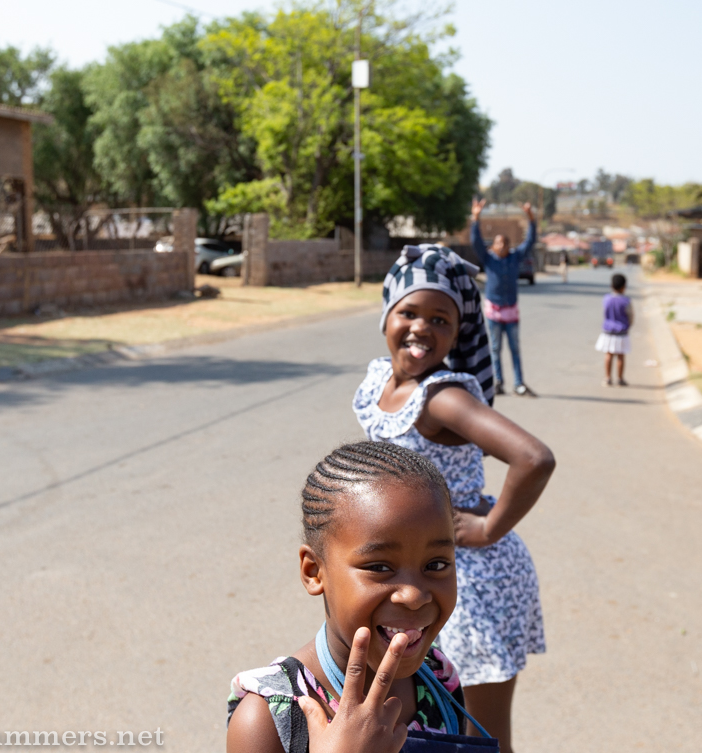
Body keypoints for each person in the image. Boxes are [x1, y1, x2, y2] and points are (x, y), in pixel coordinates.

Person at [353, 244, 555, 753]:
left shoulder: (442, 396)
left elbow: (534, 457)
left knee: (478, 735)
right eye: (410, 312)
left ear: (458, 333)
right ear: (386, 316)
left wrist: (487, 529)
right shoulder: (383, 379)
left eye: (441, 319)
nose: (422, 328)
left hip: (473, 584)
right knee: (431, 720)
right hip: (421, 573)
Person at [226, 442, 477, 753]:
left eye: (436, 565)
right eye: (379, 567)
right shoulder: (266, 721)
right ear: (314, 571)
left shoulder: (437, 678)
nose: (413, 596)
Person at [470, 198, 538, 397]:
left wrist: (530, 218)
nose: (501, 245)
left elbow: (530, 241)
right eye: (498, 242)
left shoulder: (515, 258)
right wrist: (476, 217)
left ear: (509, 246)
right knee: (495, 349)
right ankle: (498, 382)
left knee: (515, 349)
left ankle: (519, 383)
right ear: (494, 246)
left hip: (511, 311)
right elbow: (476, 242)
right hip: (494, 311)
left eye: (504, 243)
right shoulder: (489, 259)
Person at [596, 273, 633, 387]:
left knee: (608, 355)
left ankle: (607, 378)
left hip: (608, 331)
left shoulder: (606, 299)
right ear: (624, 287)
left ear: (611, 286)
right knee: (620, 356)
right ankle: (620, 379)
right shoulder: (626, 301)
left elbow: (605, 312)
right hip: (621, 332)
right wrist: (628, 326)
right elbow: (630, 316)